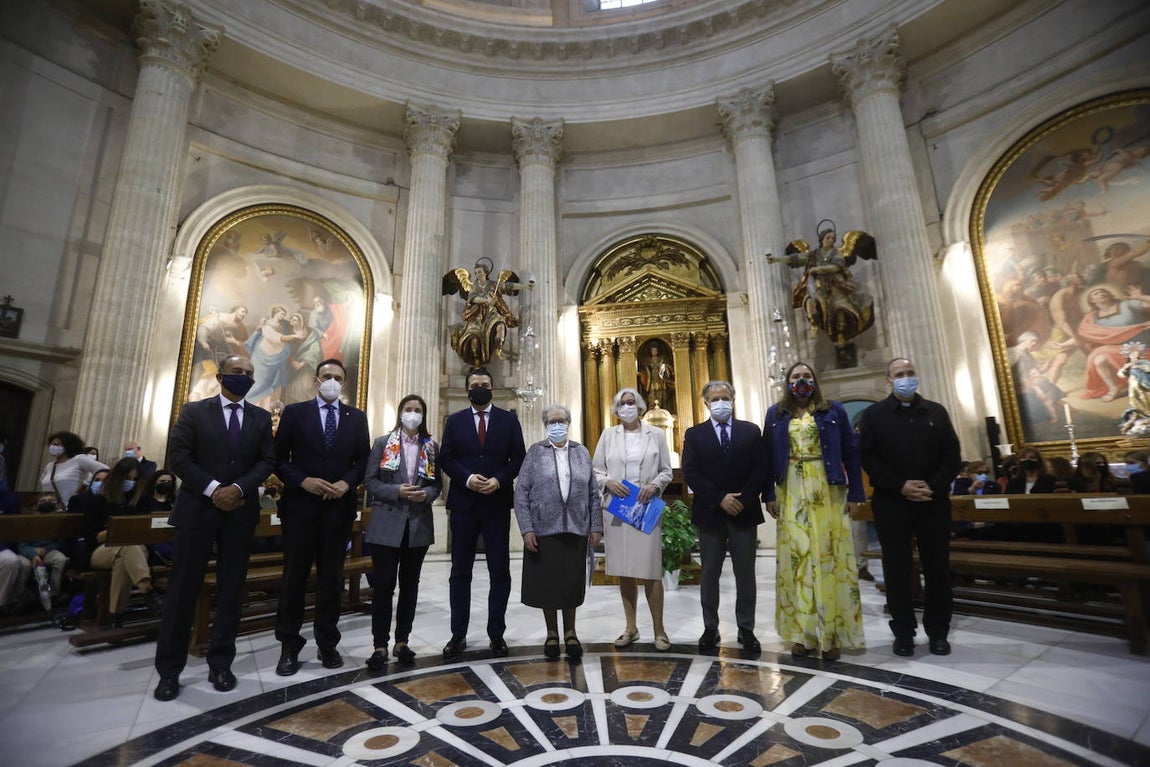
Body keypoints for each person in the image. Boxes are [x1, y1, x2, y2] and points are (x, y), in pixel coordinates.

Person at [153, 354, 275, 702]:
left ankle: (221, 663)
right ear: (221, 376)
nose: (244, 377)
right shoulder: (194, 411)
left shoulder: (260, 417)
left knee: (232, 591)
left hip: (240, 511)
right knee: (182, 591)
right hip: (197, 510)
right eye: (237, 371)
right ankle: (169, 671)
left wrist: (237, 489)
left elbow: (267, 461)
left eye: (249, 373)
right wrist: (213, 489)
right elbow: (179, 457)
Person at [272, 358, 370, 676]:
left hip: (338, 510)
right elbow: (278, 459)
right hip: (301, 508)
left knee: (331, 580)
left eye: (337, 378)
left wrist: (346, 483)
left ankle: (327, 643)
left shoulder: (356, 418)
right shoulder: (295, 413)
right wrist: (303, 481)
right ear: (316, 380)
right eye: (326, 376)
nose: (331, 381)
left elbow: (363, 460)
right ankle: (289, 646)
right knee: (294, 579)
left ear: (344, 383)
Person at [858, 358, 961, 657]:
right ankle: (903, 633)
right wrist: (900, 485)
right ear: (888, 381)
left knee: (937, 568)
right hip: (892, 502)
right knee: (896, 569)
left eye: (910, 373)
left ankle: (938, 632)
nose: (906, 378)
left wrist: (932, 486)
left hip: (932, 501)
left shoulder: (936, 412)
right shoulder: (874, 415)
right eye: (899, 374)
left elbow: (951, 455)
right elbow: (869, 459)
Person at [762, 362, 865, 660]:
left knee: (829, 557)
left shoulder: (833, 411)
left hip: (826, 487)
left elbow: (851, 451)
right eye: (796, 377)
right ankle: (804, 635)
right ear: (787, 382)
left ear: (815, 380)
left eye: (807, 376)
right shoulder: (776, 414)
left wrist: (856, 492)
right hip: (790, 490)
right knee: (799, 560)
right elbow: (768, 456)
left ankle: (832, 635)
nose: (801, 381)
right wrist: (769, 494)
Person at [439, 366, 526, 658]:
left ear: (492, 388)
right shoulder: (454, 421)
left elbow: (518, 458)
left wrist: (499, 479)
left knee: (499, 571)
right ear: (467, 389)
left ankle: (496, 634)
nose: (480, 389)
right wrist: (466, 478)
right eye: (475, 385)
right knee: (459, 572)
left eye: (485, 385)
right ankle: (457, 634)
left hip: (496, 503)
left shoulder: (508, 420)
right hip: (464, 504)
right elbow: (446, 458)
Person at [681, 380, 765, 654]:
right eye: (715, 398)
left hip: (744, 510)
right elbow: (691, 472)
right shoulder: (695, 434)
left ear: (733, 400)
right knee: (709, 573)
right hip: (710, 513)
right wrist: (719, 498)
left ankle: (746, 628)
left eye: (725, 398)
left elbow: (760, 469)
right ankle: (710, 627)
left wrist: (743, 499)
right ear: (706, 403)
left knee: (745, 574)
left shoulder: (750, 431)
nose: (720, 403)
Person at [514, 404, 602, 659]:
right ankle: (552, 633)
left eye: (561, 420)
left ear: (568, 423)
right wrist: (526, 528)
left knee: (571, 583)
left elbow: (593, 493)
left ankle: (571, 632)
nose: (557, 425)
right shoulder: (535, 452)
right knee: (548, 584)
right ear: (546, 425)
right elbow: (521, 493)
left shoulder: (581, 452)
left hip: (576, 527)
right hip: (544, 528)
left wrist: (595, 525)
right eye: (552, 421)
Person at [362, 394, 441, 669]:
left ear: (423, 415)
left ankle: (402, 641)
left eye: (418, 410)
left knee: (410, 586)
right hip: (386, 523)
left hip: (417, 525)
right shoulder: (383, 443)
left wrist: (426, 494)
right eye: (408, 409)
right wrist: (397, 491)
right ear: (400, 412)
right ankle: (379, 645)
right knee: (384, 585)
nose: (413, 414)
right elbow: (370, 481)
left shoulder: (431, 447)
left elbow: (437, 486)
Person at [592, 387, 673, 651]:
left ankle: (659, 630)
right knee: (624, 570)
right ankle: (631, 627)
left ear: (639, 407)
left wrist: (655, 485)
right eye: (622, 403)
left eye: (631, 402)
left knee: (651, 570)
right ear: (617, 409)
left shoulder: (656, 434)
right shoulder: (608, 435)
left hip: (646, 507)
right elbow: (596, 471)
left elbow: (666, 471)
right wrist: (608, 482)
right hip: (617, 509)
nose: (627, 407)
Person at [85, 459, 158, 625]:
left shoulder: (141, 501)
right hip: (102, 549)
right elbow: (89, 537)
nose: (131, 482)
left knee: (124, 559)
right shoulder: (98, 501)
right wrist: (113, 531)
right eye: (127, 478)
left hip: (134, 549)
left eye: (135, 479)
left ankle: (115, 615)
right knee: (127, 547)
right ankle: (147, 589)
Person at [18, 493, 69, 611]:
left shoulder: (60, 521)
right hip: (28, 551)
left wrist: (45, 550)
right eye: (43, 501)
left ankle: (53, 595)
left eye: (51, 500)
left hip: (49, 550)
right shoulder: (27, 521)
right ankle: (19, 597)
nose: (47, 503)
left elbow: (60, 542)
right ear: (36, 505)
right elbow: (20, 543)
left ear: (57, 505)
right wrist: (33, 555)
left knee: (60, 559)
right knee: (23, 565)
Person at [40, 431, 109, 508]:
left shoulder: (78, 459)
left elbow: (104, 469)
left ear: (68, 445)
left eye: (56, 444)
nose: (52, 447)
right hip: (49, 509)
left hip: (70, 508)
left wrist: (85, 484)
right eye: (51, 444)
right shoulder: (49, 466)